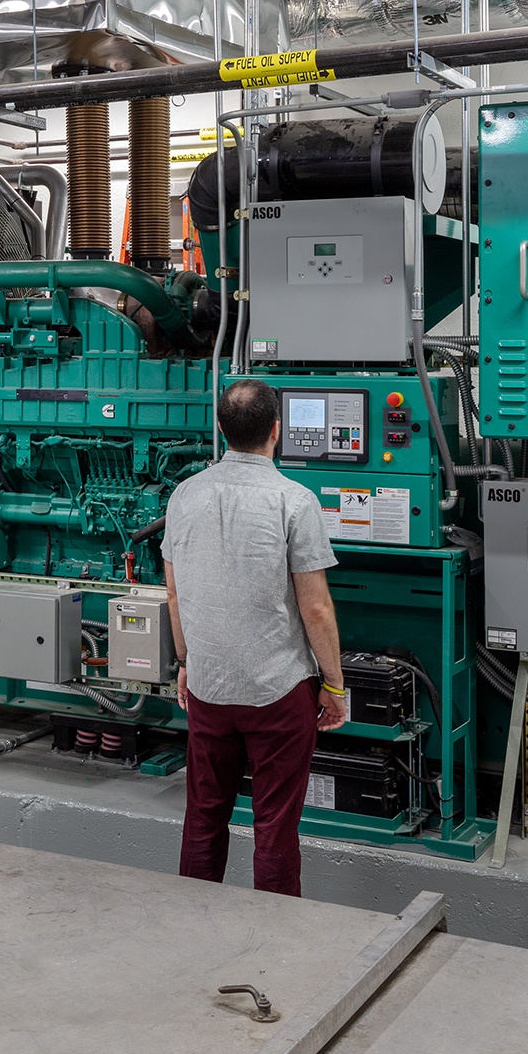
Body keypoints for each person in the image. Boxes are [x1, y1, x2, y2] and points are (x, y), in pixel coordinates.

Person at [161, 378, 346, 897]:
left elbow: (175, 595)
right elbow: (314, 606)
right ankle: (274, 943)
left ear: (220, 429)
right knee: (275, 830)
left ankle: (193, 928)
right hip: (278, 695)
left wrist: (185, 662)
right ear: (276, 431)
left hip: (209, 689)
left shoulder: (183, 496)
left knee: (202, 818)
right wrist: (333, 685)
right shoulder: (295, 501)